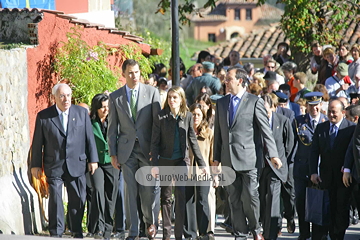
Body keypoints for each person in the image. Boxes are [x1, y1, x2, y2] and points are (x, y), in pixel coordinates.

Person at [212, 67, 281, 240]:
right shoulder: (221, 103)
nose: (225, 82)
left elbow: (266, 131)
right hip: (228, 160)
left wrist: (273, 155)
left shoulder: (254, 102)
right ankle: (240, 235)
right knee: (233, 200)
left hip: (249, 159)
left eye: (229, 79)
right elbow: (218, 135)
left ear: (240, 81)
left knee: (250, 196)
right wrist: (216, 161)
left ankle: (256, 229)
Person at [30, 83, 99, 238]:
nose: (66, 99)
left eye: (68, 95)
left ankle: (76, 230)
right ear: (55, 97)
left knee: (78, 198)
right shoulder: (44, 116)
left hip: (77, 163)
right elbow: (37, 143)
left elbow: (90, 138)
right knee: (55, 197)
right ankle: (56, 231)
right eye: (61, 96)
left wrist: (93, 159)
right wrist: (35, 165)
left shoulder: (81, 113)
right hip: (54, 164)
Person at [108, 59, 161, 240]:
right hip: (126, 151)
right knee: (130, 192)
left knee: (148, 191)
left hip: (148, 150)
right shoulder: (115, 97)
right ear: (124, 74)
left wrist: (157, 151)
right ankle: (133, 231)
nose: (134, 76)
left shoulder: (152, 93)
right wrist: (113, 154)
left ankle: (149, 224)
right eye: (130, 72)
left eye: (137, 72)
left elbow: (157, 125)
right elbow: (112, 129)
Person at [150, 86, 206, 240]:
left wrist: (202, 164)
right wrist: (154, 164)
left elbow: (193, 141)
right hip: (165, 161)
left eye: (175, 97)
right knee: (166, 197)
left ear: (181, 99)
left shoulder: (187, 116)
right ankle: (167, 235)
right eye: (169, 97)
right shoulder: (160, 116)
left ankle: (179, 235)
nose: (172, 100)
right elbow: (154, 143)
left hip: (182, 161)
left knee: (180, 194)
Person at [310, 99, 355, 240]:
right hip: (325, 178)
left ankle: (338, 235)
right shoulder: (321, 128)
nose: (331, 115)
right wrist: (313, 172)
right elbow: (314, 151)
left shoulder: (351, 128)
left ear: (342, 112)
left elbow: (353, 152)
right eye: (329, 111)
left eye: (334, 112)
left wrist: (349, 170)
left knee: (340, 209)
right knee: (325, 210)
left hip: (343, 179)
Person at [293, 92, 327, 240]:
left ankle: (319, 233)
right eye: (311, 106)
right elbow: (292, 145)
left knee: (319, 201)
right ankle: (304, 232)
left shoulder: (326, 121)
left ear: (321, 105)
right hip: (302, 168)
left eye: (316, 105)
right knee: (301, 202)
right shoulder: (298, 121)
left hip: (321, 168)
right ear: (306, 106)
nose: (314, 109)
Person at [259, 94, 294, 240]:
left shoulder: (283, 121)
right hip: (261, 167)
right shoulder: (257, 121)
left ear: (274, 108)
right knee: (262, 200)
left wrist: (282, 163)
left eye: (266, 110)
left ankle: (271, 234)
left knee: (273, 199)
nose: (264, 113)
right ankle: (265, 228)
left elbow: (289, 145)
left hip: (276, 168)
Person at [88, 94, 119, 239]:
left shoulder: (115, 120)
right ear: (96, 108)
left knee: (111, 195)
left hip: (112, 161)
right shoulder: (89, 121)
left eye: (108, 106)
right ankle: (99, 229)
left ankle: (108, 228)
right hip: (96, 162)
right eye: (102, 107)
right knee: (98, 191)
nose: (106, 110)